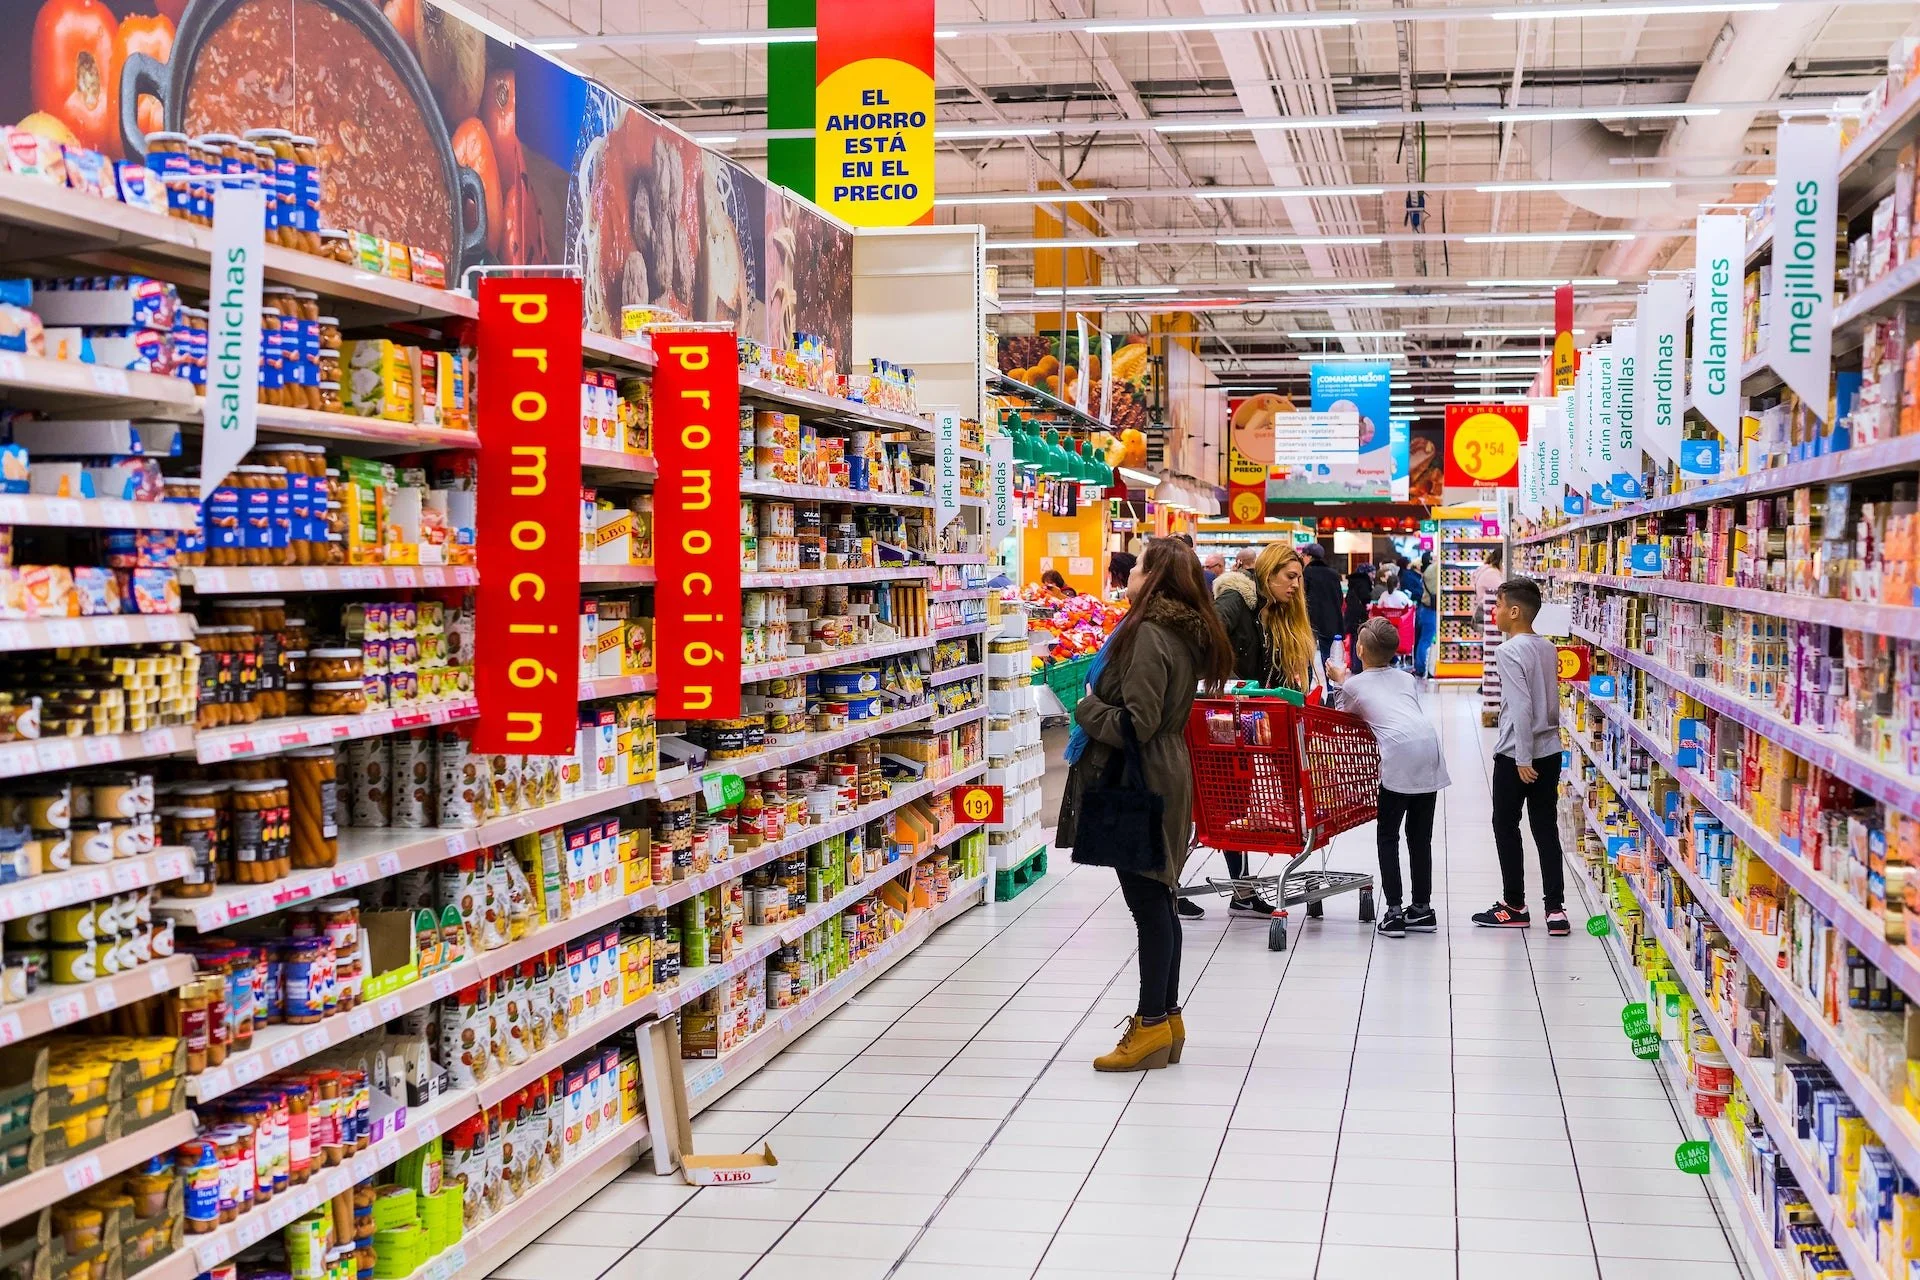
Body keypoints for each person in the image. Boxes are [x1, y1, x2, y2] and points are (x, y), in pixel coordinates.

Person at [1055, 539, 1234, 1071]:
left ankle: (1151, 1024)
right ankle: (1167, 1019)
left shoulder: (1150, 635)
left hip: (1141, 777)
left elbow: (1138, 722)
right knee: (1159, 897)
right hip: (1162, 770)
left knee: (1150, 904)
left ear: (1154, 577)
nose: (1128, 573)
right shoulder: (1174, 630)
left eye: (1136, 567)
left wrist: (1088, 710)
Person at [1328, 618, 1449, 936]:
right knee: (1420, 838)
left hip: (1398, 758)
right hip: (1429, 751)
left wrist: (1339, 681)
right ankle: (1422, 909)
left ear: (1360, 650)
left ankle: (1394, 911)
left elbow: (1343, 717)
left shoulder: (1354, 685)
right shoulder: (1407, 678)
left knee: (1388, 836)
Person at [1472, 577, 1570, 935]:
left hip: (1518, 755)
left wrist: (1523, 759)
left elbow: (1521, 705)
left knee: (1505, 825)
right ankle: (1555, 910)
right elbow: (1549, 702)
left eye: (1497, 606)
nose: (1494, 612)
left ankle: (1514, 904)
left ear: (1514, 612)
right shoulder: (1547, 647)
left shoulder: (1508, 651)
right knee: (1545, 827)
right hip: (1551, 750)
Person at [1301, 542, 1345, 665]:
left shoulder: (1306, 573)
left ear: (1309, 557)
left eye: (1303, 555)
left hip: (1310, 622)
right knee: (1329, 659)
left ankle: (1305, 684)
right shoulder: (1333, 574)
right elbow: (1340, 598)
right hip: (1330, 622)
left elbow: (1302, 598)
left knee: (1307, 659)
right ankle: (1331, 685)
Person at [1368, 564, 1416, 664]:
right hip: (1400, 627)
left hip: (1386, 625)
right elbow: (1410, 605)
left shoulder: (1384, 595)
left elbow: (1379, 607)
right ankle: (1404, 658)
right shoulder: (1402, 595)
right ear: (1397, 584)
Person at [1414, 552, 1440, 677]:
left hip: (1424, 609)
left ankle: (1420, 667)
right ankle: (1422, 668)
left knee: (1423, 640)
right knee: (1426, 641)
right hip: (1431, 611)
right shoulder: (1434, 569)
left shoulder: (1427, 571)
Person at [1343, 562, 1374, 668]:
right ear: (1367, 573)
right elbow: (1365, 597)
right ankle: (1357, 665)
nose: (1373, 575)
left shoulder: (1353, 581)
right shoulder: (1363, 582)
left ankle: (1353, 664)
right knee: (1359, 639)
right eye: (1372, 573)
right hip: (1359, 614)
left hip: (1351, 613)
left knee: (1353, 639)